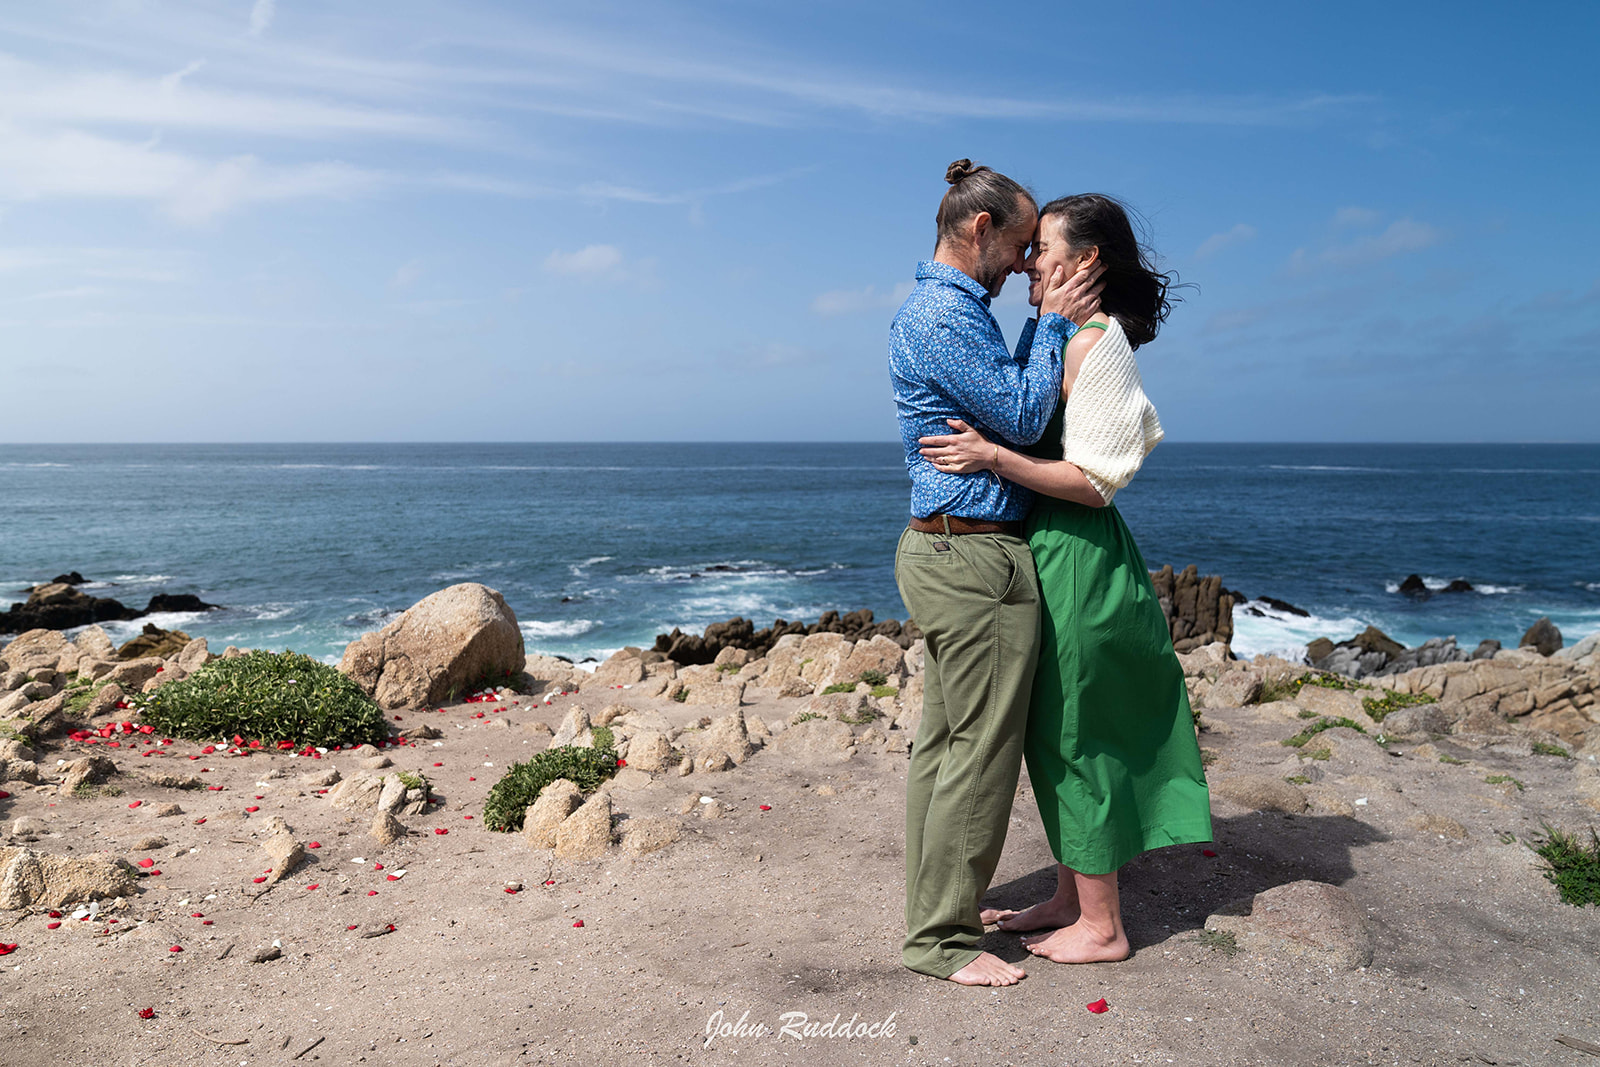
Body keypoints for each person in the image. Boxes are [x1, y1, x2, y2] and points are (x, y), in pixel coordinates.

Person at [917, 193, 1213, 965]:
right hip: (1046, 546)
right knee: (1049, 733)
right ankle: (1068, 897)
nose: (1027, 263)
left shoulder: (1096, 343)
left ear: (1086, 262)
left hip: (1079, 552)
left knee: (1079, 731)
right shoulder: (1064, 337)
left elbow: (1095, 480)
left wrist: (993, 459)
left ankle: (1104, 925)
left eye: (1042, 247)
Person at [889, 160, 1102, 986]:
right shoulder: (944, 314)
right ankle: (940, 939)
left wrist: (1033, 333)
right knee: (979, 751)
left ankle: (936, 906)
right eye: (1018, 246)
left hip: (950, 547)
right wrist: (1053, 323)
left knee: (944, 746)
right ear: (979, 230)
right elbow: (1022, 412)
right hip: (973, 554)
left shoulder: (948, 312)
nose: (1023, 267)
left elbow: (1004, 401)